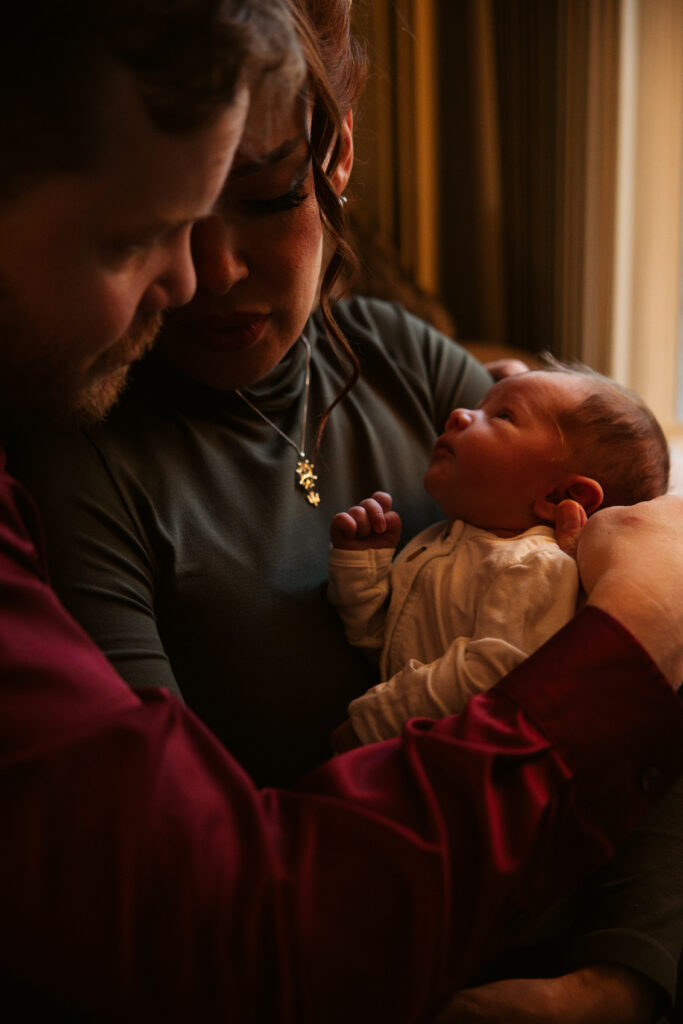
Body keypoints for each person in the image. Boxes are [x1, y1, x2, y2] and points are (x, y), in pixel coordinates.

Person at [4, 1, 683, 1021]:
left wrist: (623, 978)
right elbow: (185, 899)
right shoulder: (78, 456)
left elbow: (657, 715)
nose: (207, 274)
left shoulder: (410, 364)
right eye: (159, 223)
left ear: (339, 159)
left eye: (270, 196)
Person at [328, 367, 669, 747]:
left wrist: (377, 721)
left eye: (502, 415)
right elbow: (382, 643)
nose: (458, 414)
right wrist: (362, 568)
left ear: (558, 497)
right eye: (479, 406)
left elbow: (493, 671)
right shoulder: (435, 542)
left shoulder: (537, 565)